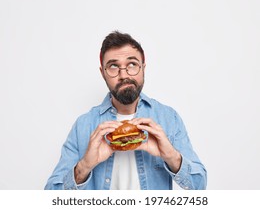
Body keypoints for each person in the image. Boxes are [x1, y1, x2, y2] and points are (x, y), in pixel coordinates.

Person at [45, 31, 207, 190]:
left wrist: (171, 156)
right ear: (103, 73)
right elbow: (50, 196)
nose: (124, 75)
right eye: (114, 66)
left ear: (143, 67)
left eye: (132, 64)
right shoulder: (83, 125)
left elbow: (199, 186)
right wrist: (85, 166)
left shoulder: (168, 118)